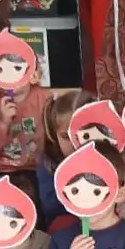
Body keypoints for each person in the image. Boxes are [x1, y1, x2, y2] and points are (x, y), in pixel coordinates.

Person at [0, 55, 45, 173]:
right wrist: (3, 124)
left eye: (16, 69)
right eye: (0, 69)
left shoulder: (44, 100)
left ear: (34, 76)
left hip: (30, 171)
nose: (8, 77)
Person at [37, 90, 94, 229]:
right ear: (54, 135)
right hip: (67, 225)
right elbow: (51, 208)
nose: (75, 143)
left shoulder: (111, 158)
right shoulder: (48, 163)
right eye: (66, 137)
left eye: (84, 135)